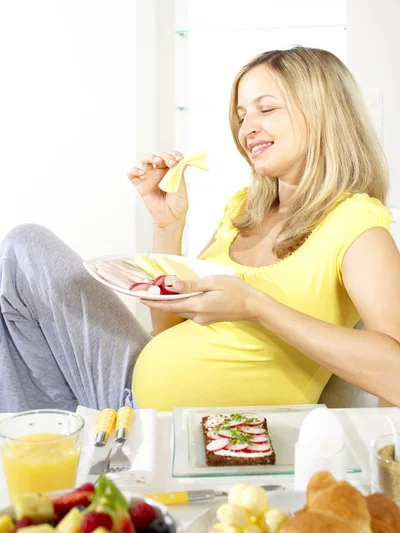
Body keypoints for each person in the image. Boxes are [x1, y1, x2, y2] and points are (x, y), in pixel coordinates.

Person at [1, 46, 399, 414]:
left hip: (203, 426)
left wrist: (257, 307)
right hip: (131, 395)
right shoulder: (243, 208)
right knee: (24, 248)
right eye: (242, 116)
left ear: (324, 112)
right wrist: (168, 226)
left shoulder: (356, 223)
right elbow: (168, 329)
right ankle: (42, 436)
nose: (248, 129)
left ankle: (54, 437)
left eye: (266, 109)